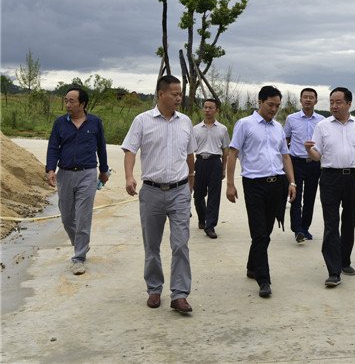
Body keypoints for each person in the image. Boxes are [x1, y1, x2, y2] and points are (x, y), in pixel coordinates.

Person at [121, 75, 197, 313]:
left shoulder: (185, 122)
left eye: (180, 93)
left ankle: (179, 294)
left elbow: (190, 155)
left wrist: (190, 183)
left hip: (179, 191)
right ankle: (154, 288)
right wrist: (129, 176)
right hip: (152, 192)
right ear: (161, 94)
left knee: (180, 244)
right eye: (175, 94)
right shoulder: (142, 121)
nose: (179, 97)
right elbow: (130, 150)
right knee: (152, 244)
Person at [305, 87, 355, 287]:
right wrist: (309, 151)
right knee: (331, 224)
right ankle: (333, 271)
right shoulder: (322, 126)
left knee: (349, 222)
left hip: (353, 178)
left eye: (338, 102)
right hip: (330, 178)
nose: (334, 106)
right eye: (331, 102)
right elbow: (317, 156)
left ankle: (344, 260)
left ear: (349, 104)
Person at [226, 85, 296, 298]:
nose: (273, 109)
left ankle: (252, 266)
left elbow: (285, 156)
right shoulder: (245, 124)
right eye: (270, 105)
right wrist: (230, 184)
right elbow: (232, 153)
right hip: (254, 184)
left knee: (265, 231)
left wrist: (292, 182)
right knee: (259, 232)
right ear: (260, 102)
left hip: (277, 184)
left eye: (277, 106)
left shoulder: (278, 127)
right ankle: (264, 279)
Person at [45, 86, 109, 275]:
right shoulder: (60, 123)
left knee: (83, 217)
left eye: (71, 101)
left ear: (82, 104)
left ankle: (79, 258)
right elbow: (53, 147)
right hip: (65, 174)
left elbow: (101, 148)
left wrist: (104, 170)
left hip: (87, 174)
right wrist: (50, 169)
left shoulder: (95, 123)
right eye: (66, 100)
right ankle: (81, 244)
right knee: (67, 218)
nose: (67, 104)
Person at [283, 87, 324, 243]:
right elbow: (285, 139)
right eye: (305, 97)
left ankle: (305, 227)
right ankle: (297, 229)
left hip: (314, 163)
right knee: (295, 195)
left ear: (316, 101)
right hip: (296, 162)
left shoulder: (322, 120)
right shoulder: (291, 119)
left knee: (310, 197)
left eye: (311, 97)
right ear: (300, 100)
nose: (308, 100)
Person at [193, 98, 230, 239]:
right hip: (200, 163)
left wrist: (223, 168)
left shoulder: (222, 129)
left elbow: (225, 150)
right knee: (198, 195)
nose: (207, 110)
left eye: (210, 108)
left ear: (217, 110)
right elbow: (190, 150)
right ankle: (202, 218)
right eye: (205, 107)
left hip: (215, 163)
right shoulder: (195, 129)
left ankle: (210, 226)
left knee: (214, 196)